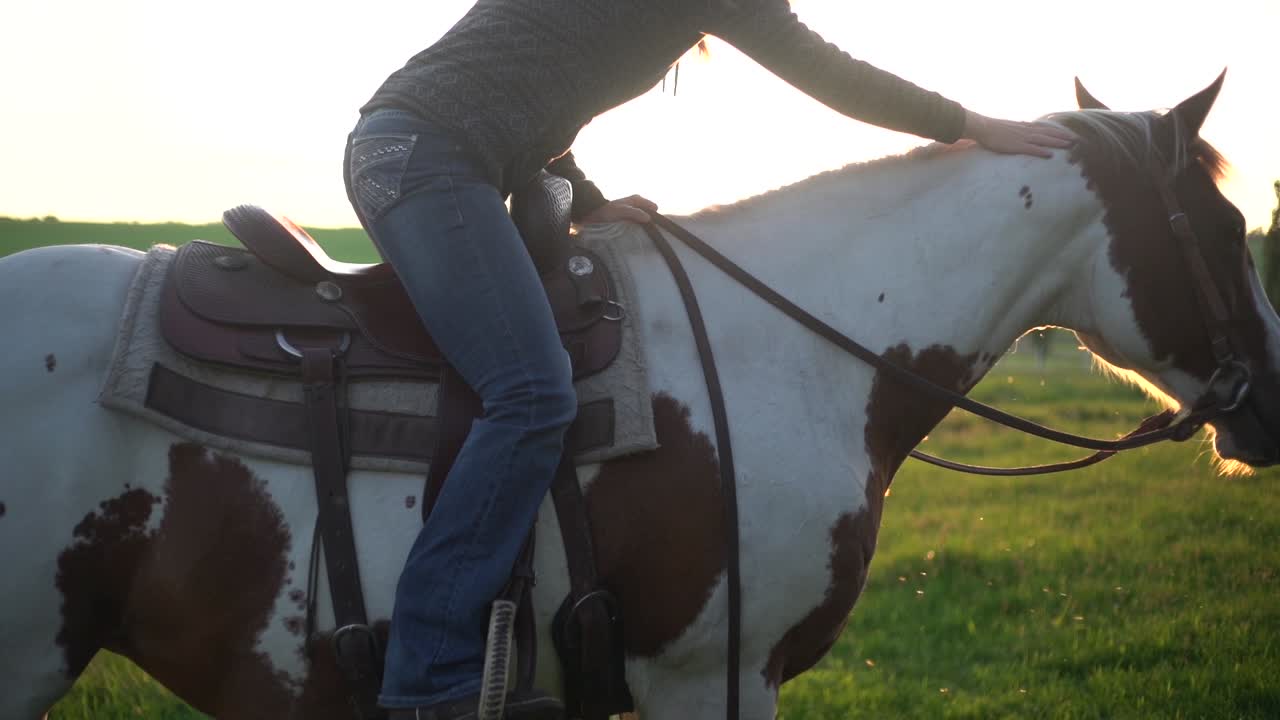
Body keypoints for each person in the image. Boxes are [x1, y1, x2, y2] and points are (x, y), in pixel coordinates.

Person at [343, 2, 1075, 718]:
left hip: (431, 151)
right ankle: (429, 666)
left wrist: (587, 199)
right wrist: (973, 125)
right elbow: (826, 70)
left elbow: (533, 76)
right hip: (426, 161)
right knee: (531, 392)